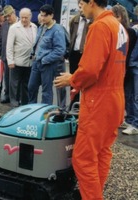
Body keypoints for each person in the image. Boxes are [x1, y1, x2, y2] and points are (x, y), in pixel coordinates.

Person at [54, 0, 128, 199]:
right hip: (115, 98)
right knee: (102, 152)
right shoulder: (119, 26)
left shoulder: (100, 26)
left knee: (83, 159)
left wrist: (72, 79)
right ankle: (95, 194)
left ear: (92, 3)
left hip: (99, 101)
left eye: (81, 3)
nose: (80, 8)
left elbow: (90, 70)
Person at [28, 4, 66, 105]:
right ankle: (32, 110)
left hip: (47, 64)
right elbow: (38, 42)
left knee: (46, 91)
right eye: (41, 15)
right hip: (36, 61)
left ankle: (45, 113)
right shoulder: (42, 27)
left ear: (51, 15)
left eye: (45, 15)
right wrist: (33, 54)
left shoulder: (57, 30)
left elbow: (60, 50)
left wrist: (45, 60)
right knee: (31, 87)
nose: (42, 17)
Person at [112, 5, 138, 134]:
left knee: (131, 96)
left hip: (129, 68)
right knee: (125, 95)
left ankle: (134, 123)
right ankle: (127, 119)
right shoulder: (120, 30)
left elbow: (127, 54)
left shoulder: (129, 31)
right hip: (124, 68)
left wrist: (124, 69)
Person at [6, 8, 37, 107]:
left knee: (26, 84)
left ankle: (25, 103)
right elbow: (9, 46)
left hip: (30, 61)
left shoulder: (34, 27)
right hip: (17, 61)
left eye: (26, 17)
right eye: (22, 17)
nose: (24, 19)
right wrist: (10, 60)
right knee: (15, 83)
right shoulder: (14, 28)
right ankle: (14, 102)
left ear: (30, 17)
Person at [68, 0, 90, 106]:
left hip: (86, 54)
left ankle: (84, 105)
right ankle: (74, 105)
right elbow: (72, 35)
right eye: (79, 5)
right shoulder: (74, 20)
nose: (81, 7)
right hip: (74, 54)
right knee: (73, 81)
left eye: (82, 4)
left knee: (85, 81)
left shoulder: (92, 21)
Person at [0, 5, 18, 104]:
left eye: (9, 16)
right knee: (6, 77)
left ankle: (15, 97)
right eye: (6, 16)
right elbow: (1, 40)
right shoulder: (5, 25)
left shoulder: (20, 24)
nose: (7, 18)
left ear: (14, 13)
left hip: (16, 57)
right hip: (5, 56)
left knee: (15, 79)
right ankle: (7, 94)